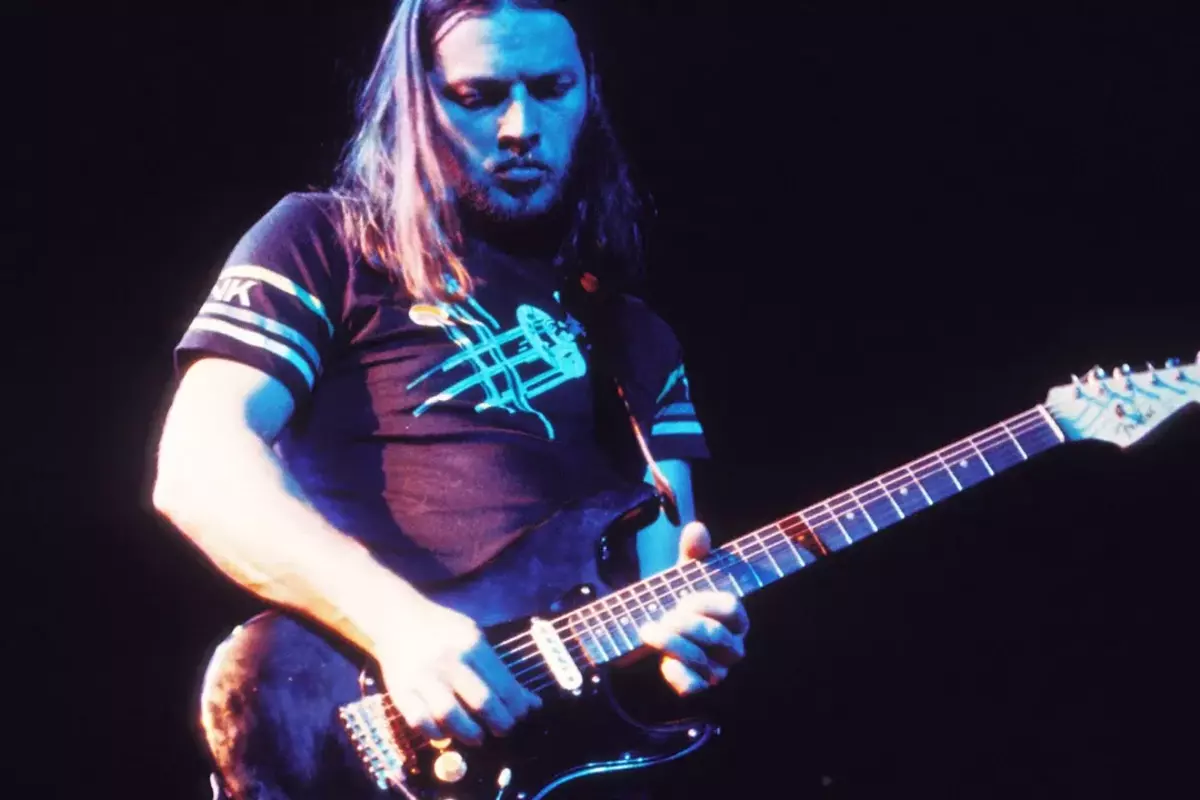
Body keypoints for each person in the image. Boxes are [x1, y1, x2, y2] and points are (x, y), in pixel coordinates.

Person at [152, 1, 749, 797]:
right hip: (343, 731)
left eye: (552, 89)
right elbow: (199, 468)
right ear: (416, 102)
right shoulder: (324, 243)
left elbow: (661, 585)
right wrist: (396, 625)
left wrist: (684, 647)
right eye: (478, 96)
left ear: (589, 94)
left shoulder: (638, 339)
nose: (520, 127)